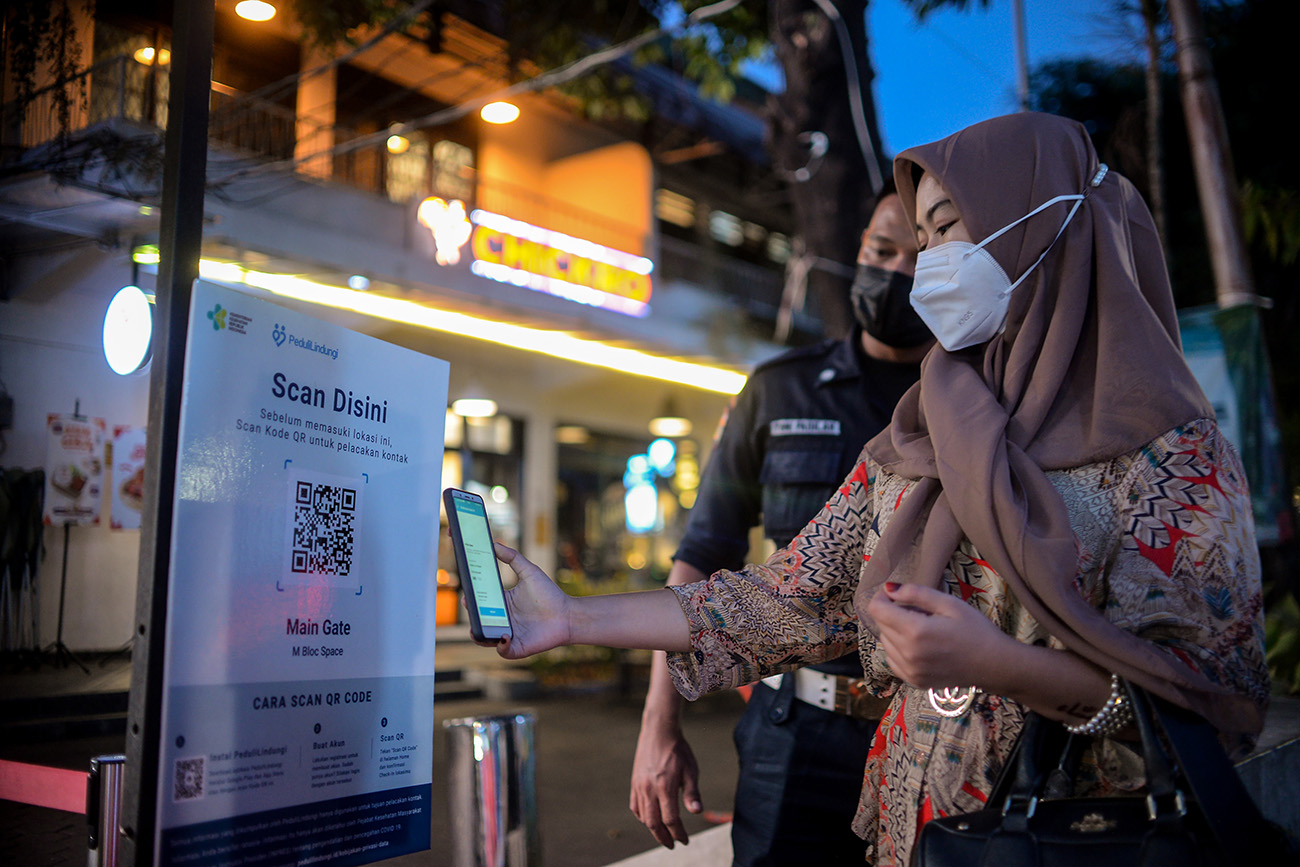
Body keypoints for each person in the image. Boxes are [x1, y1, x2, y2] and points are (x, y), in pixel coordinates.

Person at [487, 113, 1270, 866]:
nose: (928, 260)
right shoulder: (923, 430)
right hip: (911, 837)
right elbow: (787, 595)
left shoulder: (1172, 457)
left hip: (1077, 841)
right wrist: (572, 617)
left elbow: (1213, 709)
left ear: (1040, 226)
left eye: (946, 228)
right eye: (917, 236)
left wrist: (1001, 663)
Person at [630, 188, 931, 864]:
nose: (898, 273)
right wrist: (658, 724)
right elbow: (703, 552)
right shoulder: (778, 389)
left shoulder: (970, 404)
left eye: (922, 257)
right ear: (858, 252)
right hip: (794, 732)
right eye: (883, 251)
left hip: (927, 730)